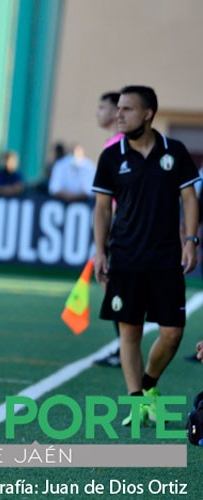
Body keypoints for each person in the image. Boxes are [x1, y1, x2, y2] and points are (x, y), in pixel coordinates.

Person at [92, 85, 200, 427]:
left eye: (127, 109)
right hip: (125, 258)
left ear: (148, 114)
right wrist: (100, 251)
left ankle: (150, 384)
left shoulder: (175, 151)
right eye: (118, 108)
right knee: (130, 332)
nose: (118, 115)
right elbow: (101, 209)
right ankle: (137, 402)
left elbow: (189, 199)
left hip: (167, 258)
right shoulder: (111, 156)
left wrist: (190, 239)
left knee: (172, 333)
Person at [93, 91, 124, 368]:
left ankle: (123, 349)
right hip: (119, 226)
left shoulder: (118, 145)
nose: (98, 112)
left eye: (103, 107)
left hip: (121, 227)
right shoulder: (115, 143)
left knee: (115, 288)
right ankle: (122, 347)